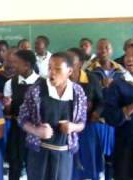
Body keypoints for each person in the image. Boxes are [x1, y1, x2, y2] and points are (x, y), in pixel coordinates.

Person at [18, 52, 87, 180]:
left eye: (58, 69)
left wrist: (73, 127)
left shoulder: (77, 92)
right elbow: (22, 118)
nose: (52, 72)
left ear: (69, 71)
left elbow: (82, 122)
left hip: (64, 153)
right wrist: (36, 131)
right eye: (50, 68)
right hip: (39, 152)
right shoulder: (36, 90)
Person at [103, 43, 133, 180]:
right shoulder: (117, 84)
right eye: (127, 55)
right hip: (125, 144)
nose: (129, 59)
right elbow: (110, 117)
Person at [86, 38, 125, 179]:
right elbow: (87, 94)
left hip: (113, 120)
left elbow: (125, 92)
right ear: (96, 50)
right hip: (97, 119)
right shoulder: (89, 70)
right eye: (100, 48)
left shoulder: (120, 70)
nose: (103, 51)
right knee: (96, 154)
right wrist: (101, 85)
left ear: (111, 50)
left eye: (106, 48)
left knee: (112, 156)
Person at [68, 48, 104, 180]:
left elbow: (101, 101)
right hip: (67, 127)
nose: (67, 63)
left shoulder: (92, 78)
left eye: (71, 61)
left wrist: (96, 112)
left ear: (80, 63)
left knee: (89, 159)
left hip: (87, 125)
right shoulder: (61, 78)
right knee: (70, 164)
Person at [3, 49, 39, 180]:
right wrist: (7, 105)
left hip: (35, 130)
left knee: (34, 162)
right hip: (17, 127)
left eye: (16, 63)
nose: (13, 65)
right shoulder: (10, 83)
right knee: (15, 161)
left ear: (27, 65)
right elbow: (8, 112)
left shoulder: (42, 83)